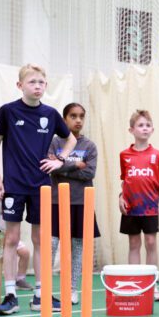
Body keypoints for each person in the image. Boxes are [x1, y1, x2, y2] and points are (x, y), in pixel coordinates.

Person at [0, 64, 76, 315]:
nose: (37, 86)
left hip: (41, 186)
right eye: (32, 82)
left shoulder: (50, 114)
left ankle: (41, 295)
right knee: (12, 239)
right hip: (14, 186)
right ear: (20, 85)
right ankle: (10, 295)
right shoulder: (8, 111)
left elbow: (69, 138)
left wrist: (60, 159)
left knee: (40, 240)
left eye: (41, 82)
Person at [46, 102, 101, 305]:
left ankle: (72, 290)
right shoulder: (54, 143)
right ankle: (46, 290)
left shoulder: (90, 146)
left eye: (81, 116)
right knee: (51, 244)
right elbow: (49, 167)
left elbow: (90, 172)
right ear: (64, 119)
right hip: (55, 201)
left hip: (80, 202)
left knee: (77, 247)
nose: (78, 120)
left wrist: (63, 165)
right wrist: (75, 164)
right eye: (73, 116)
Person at [118, 109, 159, 301]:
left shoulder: (157, 155)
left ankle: (152, 286)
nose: (144, 129)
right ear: (131, 130)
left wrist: (150, 196)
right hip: (130, 207)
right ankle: (135, 284)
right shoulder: (124, 155)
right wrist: (121, 196)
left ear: (152, 129)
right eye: (140, 125)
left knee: (151, 243)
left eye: (147, 125)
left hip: (150, 207)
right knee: (134, 243)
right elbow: (125, 179)